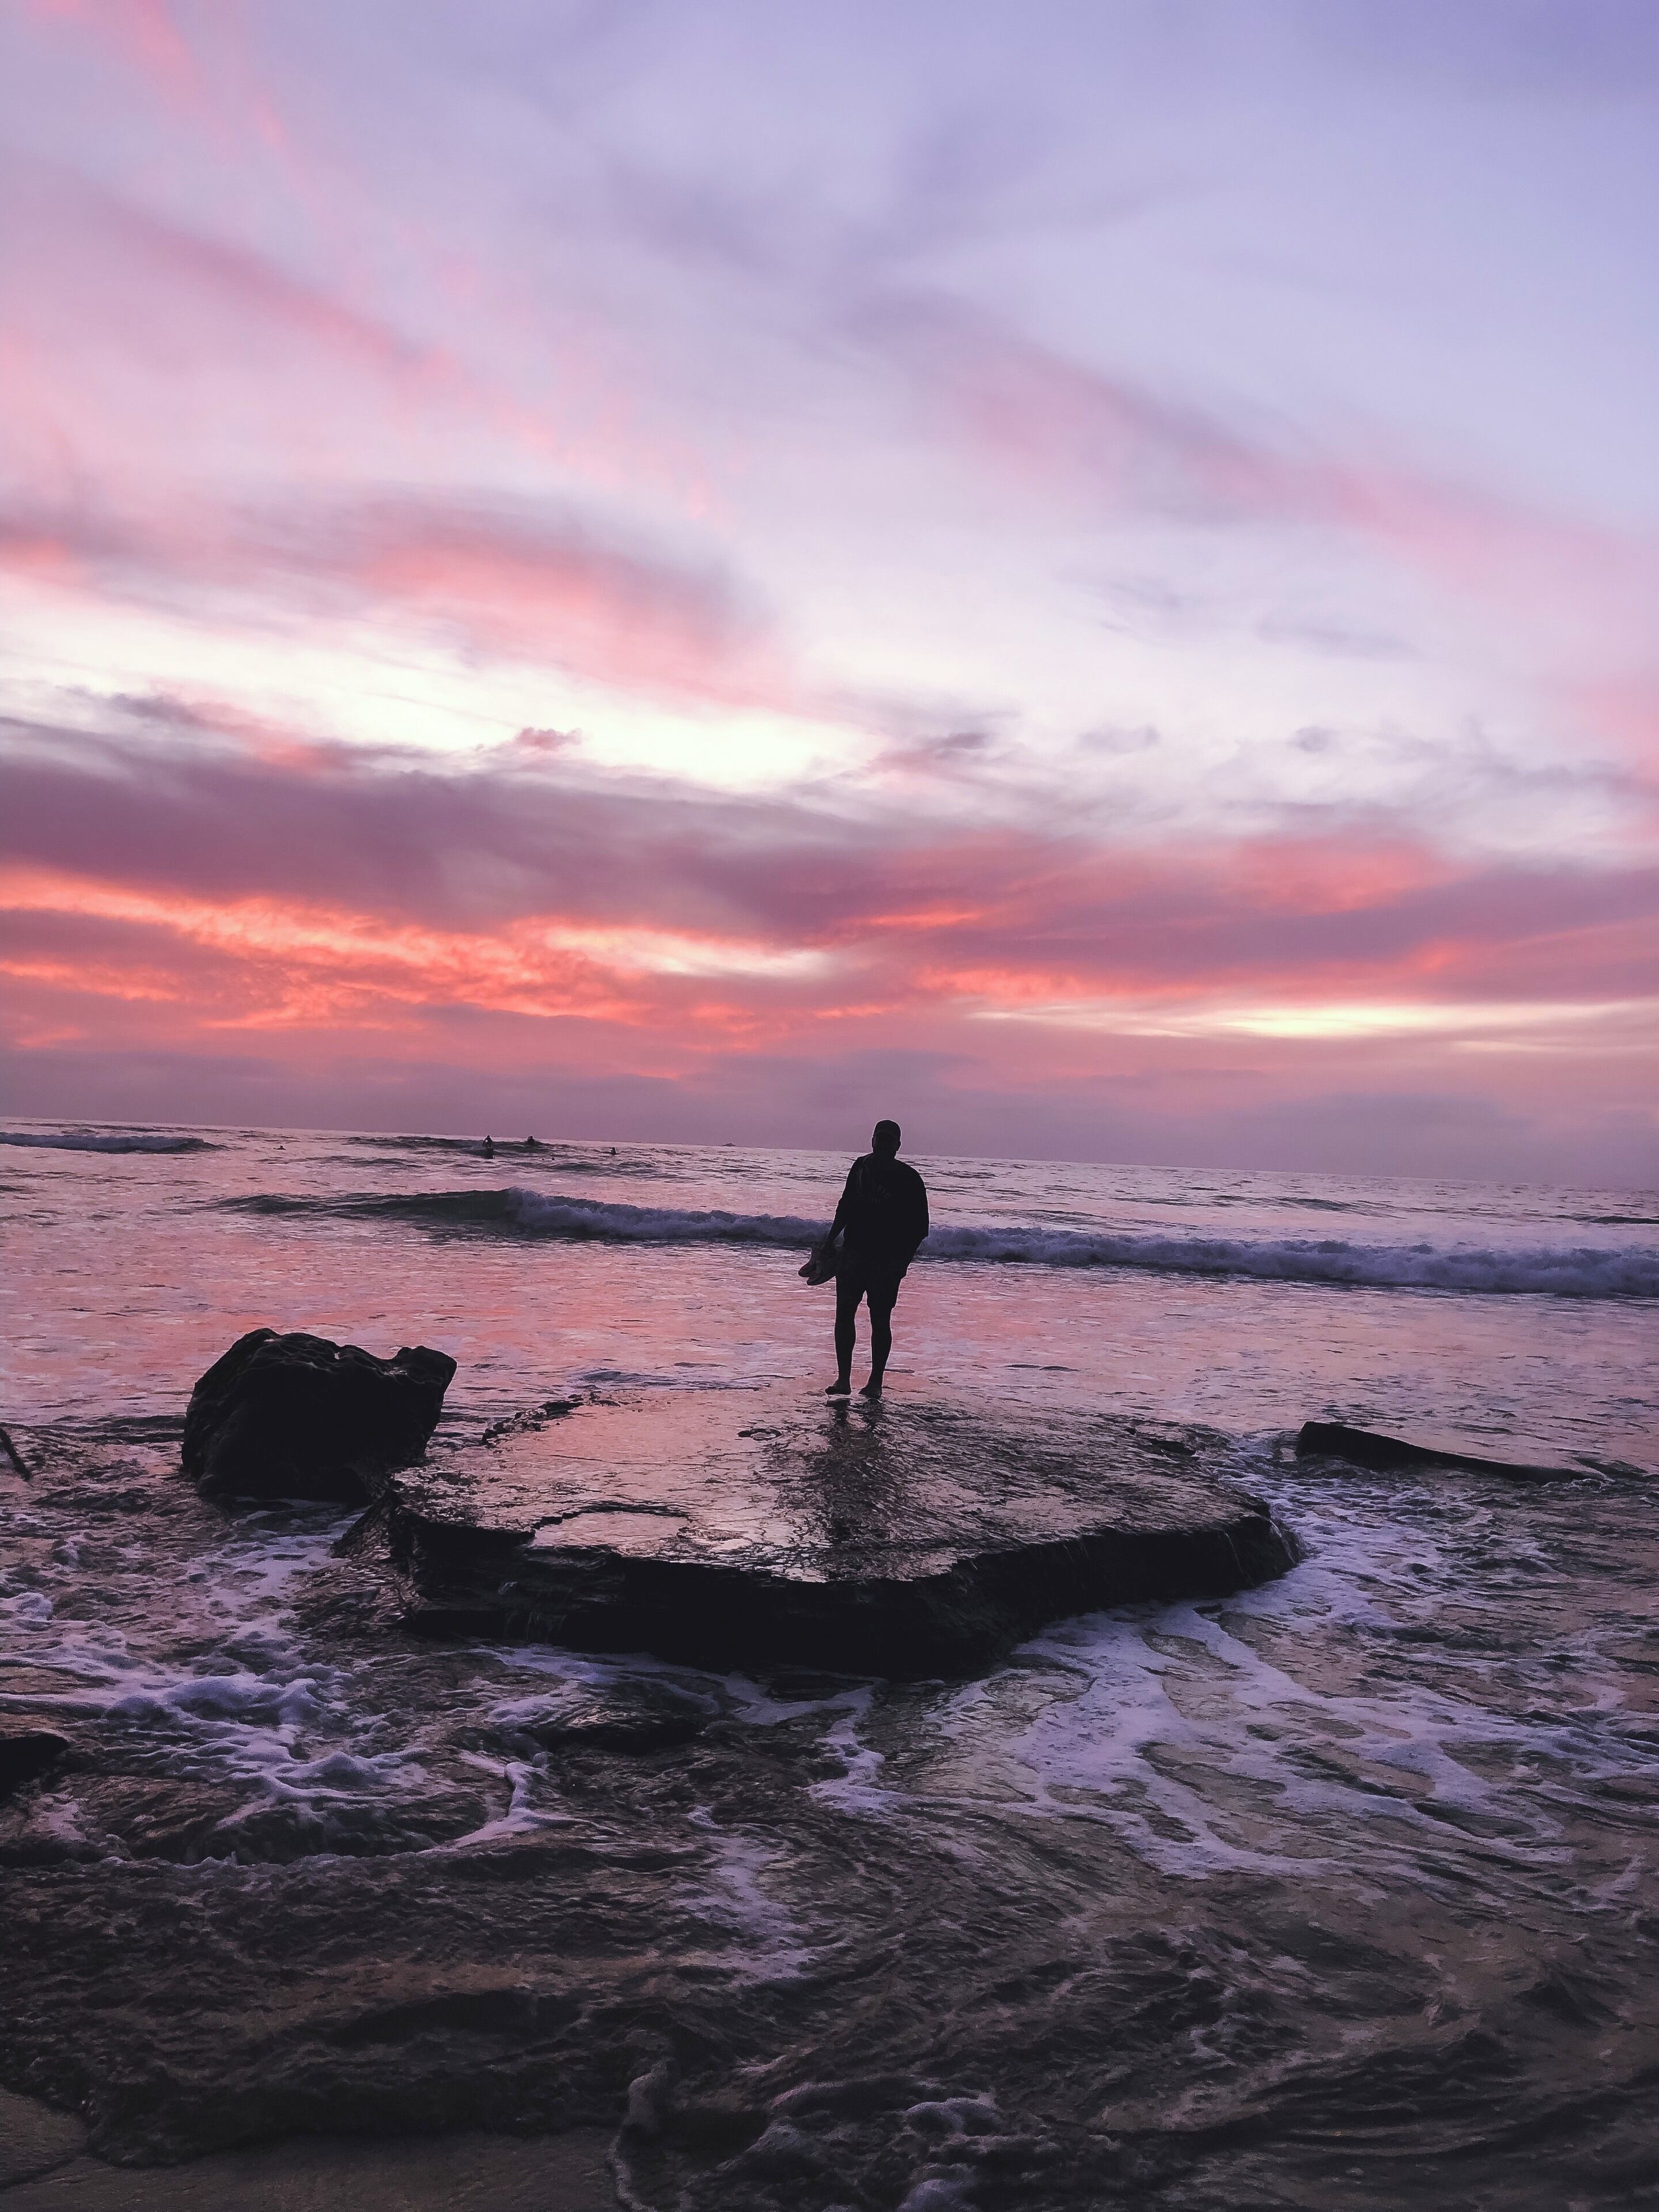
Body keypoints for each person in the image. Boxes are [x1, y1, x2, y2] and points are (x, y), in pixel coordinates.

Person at [820, 1120, 929, 1400]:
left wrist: (902, 1263)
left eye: (888, 1140)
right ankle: (844, 1379)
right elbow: (845, 1205)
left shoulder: (910, 1179)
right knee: (844, 1314)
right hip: (853, 1253)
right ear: (872, 1140)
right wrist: (830, 1240)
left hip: (886, 1261)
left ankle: (876, 1382)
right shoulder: (860, 1167)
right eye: (879, 1138)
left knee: (880, 1319)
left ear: (898, 1146)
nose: (882, 1144)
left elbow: (919, 1228)